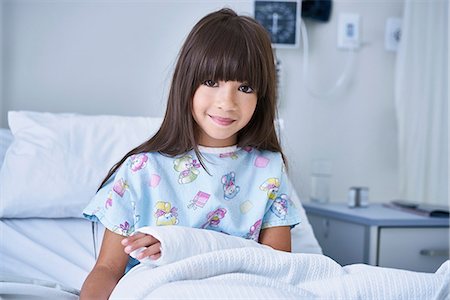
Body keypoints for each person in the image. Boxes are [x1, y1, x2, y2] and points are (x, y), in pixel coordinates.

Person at [79, 7, 300, 299]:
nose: (227, 102)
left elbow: (278, 269)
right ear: (187, 83)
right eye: (212, 82)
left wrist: (185, 242)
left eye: (245, 87)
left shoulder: (268, 170)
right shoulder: (142, 170)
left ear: (262, 97)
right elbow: (107, 270)